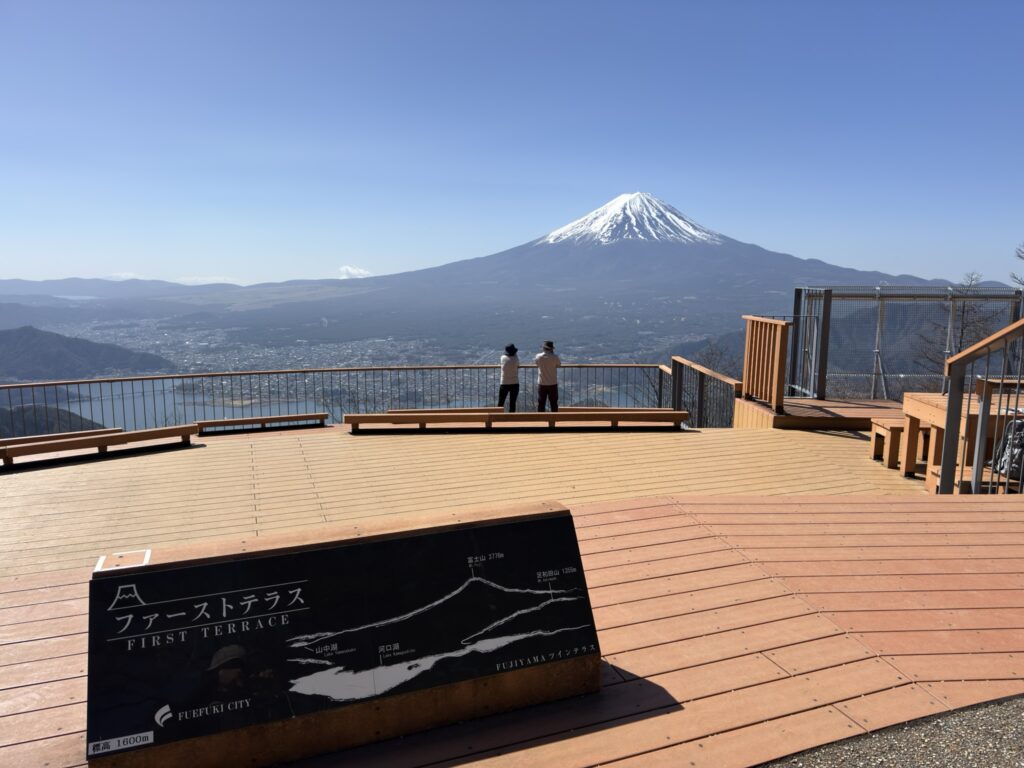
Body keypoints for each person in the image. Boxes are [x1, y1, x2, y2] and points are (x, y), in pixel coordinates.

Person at [534, 340, 561, 412]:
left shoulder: (538, 356)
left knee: (541, 403)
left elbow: (536, 363)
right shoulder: (555, 357)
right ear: (551, 348)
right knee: (554, 403)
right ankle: (554, 420)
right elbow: (558, 364)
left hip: (542, 383)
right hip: (552, 383)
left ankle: (541, 420)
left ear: (544, 348)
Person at [499, 344, 520, 412]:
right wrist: (515, 354)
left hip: (504, 382)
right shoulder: (516, 358)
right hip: (515, 382)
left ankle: (497, 418)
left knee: (501, 402)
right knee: (512, 403)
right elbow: (518, 364)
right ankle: (512, 419)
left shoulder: (502, 358)